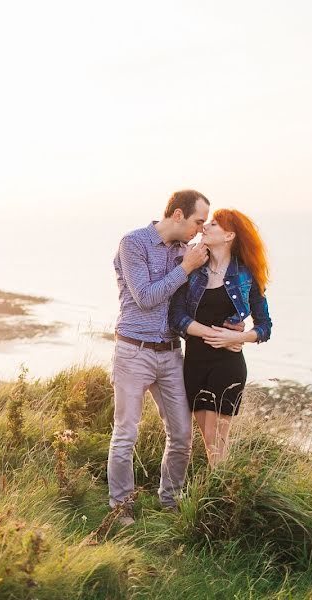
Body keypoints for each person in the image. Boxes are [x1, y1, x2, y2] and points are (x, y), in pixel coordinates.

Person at [108, 190, 210, 525]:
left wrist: (234, 322)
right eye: (198, 221)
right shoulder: (134, 243)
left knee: (182, 435)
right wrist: (186, 267)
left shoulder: (186, 252)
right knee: (126, 433)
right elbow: (146, 298)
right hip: (132, 352)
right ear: (178, 215)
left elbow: (192, 300)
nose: (200, 228)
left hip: (170, 353)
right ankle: (121, 509)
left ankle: (169, 502)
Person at [169, 208, 272, 467]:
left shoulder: (246, 275)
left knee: (218, 440)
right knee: (208, 440)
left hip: (227, 363)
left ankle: (220, 494)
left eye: (214, 224)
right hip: (195, 361)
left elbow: (264, 326)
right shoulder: (193, 270)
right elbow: (176, 316)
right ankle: (219, 487)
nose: (206, 226)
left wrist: (234, 337)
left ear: (229, 235)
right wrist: (208, 332)